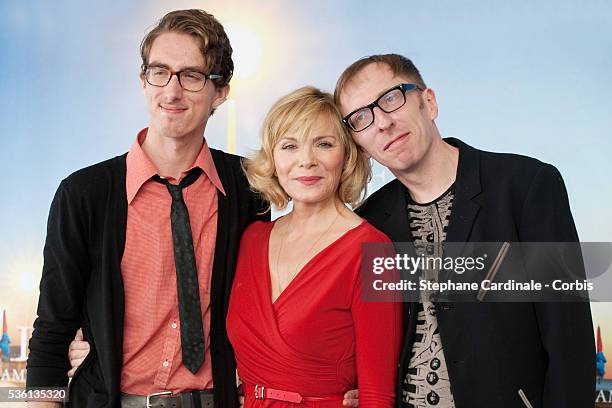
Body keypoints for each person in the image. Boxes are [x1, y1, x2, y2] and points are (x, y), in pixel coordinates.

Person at [27, 9, 266, 408]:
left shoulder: (248, 188)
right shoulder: (83, 194)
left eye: (191, 76)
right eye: (159, 71)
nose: (171, 92)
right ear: (143, 81)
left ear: (220, 92)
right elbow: (52, 330)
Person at [334, 54, 595, 407]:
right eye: (361, 118)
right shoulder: (368, 222)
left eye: (391, 98)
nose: (382, 123)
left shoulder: (526, 186)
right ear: (359, 145)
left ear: (429, 102)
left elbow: (569, 339)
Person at [226, 86, 403, 408]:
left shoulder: (373, 251)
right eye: (289, 146)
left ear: (346, 156)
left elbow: (378, 395)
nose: (306, 161)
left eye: (323, 144)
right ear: (273, 160)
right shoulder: (252, 239)